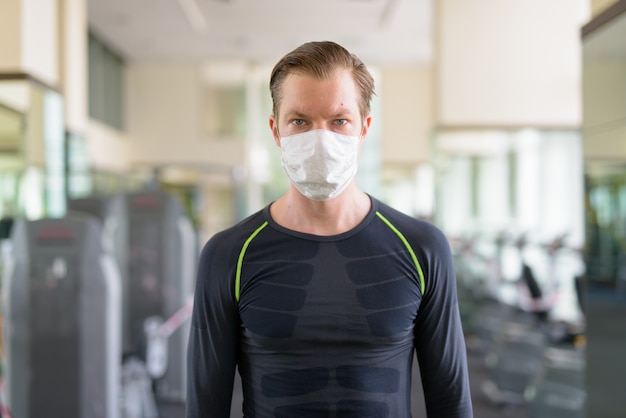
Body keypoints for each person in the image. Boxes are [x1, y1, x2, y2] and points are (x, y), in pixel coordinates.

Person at [186, 41, 473, 417]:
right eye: (300, 121)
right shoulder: (229, 255)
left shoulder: (421, 248)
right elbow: (205, 407)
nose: (320, 139)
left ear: (363, 128)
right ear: (276, 130)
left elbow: (451, 402)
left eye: (339, 121)